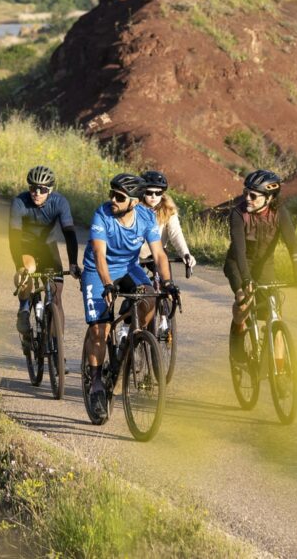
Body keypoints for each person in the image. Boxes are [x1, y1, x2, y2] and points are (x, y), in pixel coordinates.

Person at [81, 172, 179, 420]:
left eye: (119, 197)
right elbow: (99, 255)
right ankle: (96, 385)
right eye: (111, 194)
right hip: (98, 271)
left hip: (128, 267)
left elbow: (159, 254)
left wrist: (168, 283)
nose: (112, 200)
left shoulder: (146, 217)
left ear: (134, 202)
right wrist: (107, 284)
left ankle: (131, 340)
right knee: (99, 331)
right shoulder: (102, 215)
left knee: (150, 297)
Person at [223, 169, 297, 362]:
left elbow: (293, 245)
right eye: (246, 193)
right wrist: (246, 280)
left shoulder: (279, 213)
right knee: (244, 303)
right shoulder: (238, 214)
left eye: (253, 196)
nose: (247, 198)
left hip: (264, 265)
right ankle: (238, 342)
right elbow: (239, 251)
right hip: (238, 263)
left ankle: (279, 369)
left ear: (269, 198)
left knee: (275, 314)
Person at [9, 165, 81, 346]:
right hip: (25, 247)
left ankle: (57, 345)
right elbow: (14, 237)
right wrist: (19, 265)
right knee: (27, 271)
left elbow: (69, 233)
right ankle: (24, 309)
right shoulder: (20, 202)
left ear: (50, 190)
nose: (36, 193)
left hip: (48, 247)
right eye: (33, 188)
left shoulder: (60, 202)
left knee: (56, 295)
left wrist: (73, 263)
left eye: (42, 189)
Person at [140, 170, 196, 272]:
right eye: (149, 192)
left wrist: (185, 253)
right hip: (136, 253)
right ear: (143, 192)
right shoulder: (135, 208)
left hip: (158, 251)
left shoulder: (168, 209)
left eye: (158, 193)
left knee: (166, 280)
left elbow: (176, 233)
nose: (154, 196)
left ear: (163, 193)